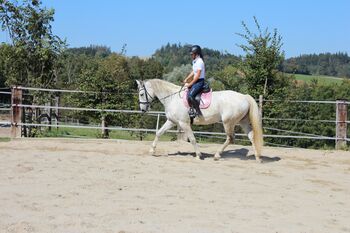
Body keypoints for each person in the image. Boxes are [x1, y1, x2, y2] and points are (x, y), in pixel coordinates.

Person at [183, 45, 205, 118]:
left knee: (190, 95)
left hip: (199, 82)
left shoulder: (200, 62)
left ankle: (198, 112)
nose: (191, 55)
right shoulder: (194, 61)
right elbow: (193, 72)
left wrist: (190, 84)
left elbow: (197, 76)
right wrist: (186, 78)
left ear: (196, 54)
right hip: (196, 81)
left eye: (192, 54)